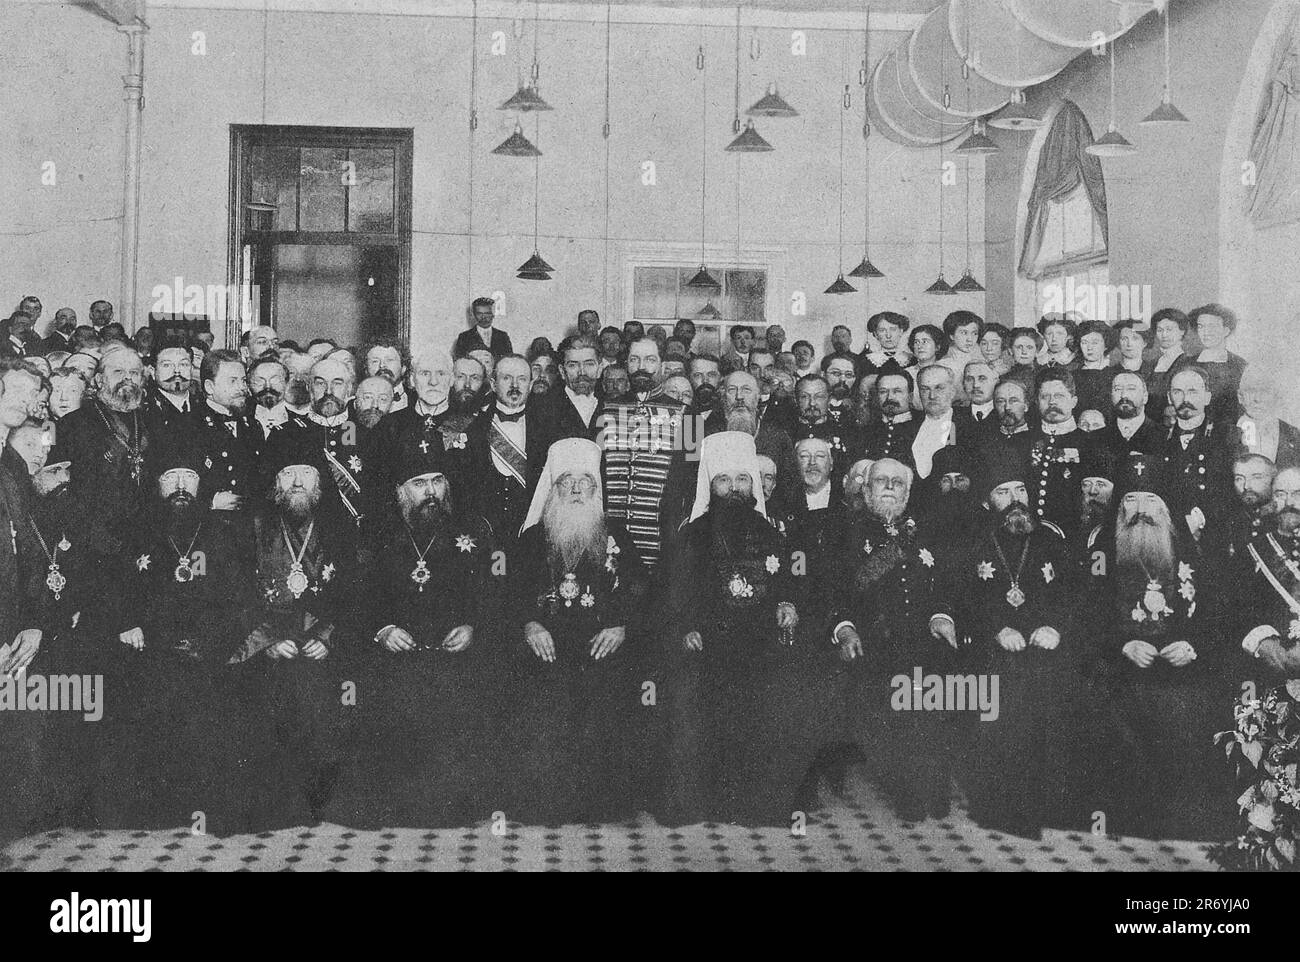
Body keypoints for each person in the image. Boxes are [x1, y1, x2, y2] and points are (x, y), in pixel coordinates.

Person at [328, 435, 500, 829]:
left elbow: (495, 593)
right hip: (393, 652)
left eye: (437, 481)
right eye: (419, 484)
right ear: (400, 491)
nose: (431, 493)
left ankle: (452, 806)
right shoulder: (374, 532)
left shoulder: (474, 530)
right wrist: (383, 629)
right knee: (377, 691)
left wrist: (473, 627)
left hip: (453, 652)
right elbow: (354, 598)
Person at [662, 431, 818, 824]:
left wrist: (788, 604)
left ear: (753, 484)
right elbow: (671, 594)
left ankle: (757, 803)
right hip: (705, 643)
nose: (734, 489)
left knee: (780, 692)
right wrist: (686, 628)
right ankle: (702, 802)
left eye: (742, 480)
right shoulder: (691, 535)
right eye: (724, 481)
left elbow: (792, 581)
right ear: (710, 486)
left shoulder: (772, 533)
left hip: (759, 641)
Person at [103, 446, 256, 831]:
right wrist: (129, 623)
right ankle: (159, 809)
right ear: (157, 487)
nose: (181, 487)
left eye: (188, 478)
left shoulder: (221, 535)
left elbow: (241, 601)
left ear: (201, 485)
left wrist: (213, 642)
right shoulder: (138, 533)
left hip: (213, 649)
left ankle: (209, 806)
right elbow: (117, 590)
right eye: (171, 479)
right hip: (152, 649)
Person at [1088, 456, 1235, 839]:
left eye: (1150, 501)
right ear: (1120, 508)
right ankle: (1124, 818)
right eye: (1131, 500)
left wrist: (1193, 645)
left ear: (1167, 510)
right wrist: (1123, 644)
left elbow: (1220, 616)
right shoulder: (1100, 553)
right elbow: (1084, 614)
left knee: (1193, 703)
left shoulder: (1197, 552)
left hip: (1180, 658)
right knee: (1107, 695)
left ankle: (1183, 821)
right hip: (1122, 658)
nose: (1140, 511)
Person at [506, 437, 648, 822]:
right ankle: (546, 804)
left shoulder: (616, 534)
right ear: (552, 488)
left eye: (585, 481)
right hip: (546, 649)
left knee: (609, 694)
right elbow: (508, 593)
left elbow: (641, 590)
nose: (574, 489)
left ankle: (601, 805)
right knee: (540, 696)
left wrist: (620, 626)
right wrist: (531, 623)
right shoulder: (531, 540)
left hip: (601, 648)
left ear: (596, 488)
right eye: (565, 480)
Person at [229, 427, 356, 832]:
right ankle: (277, 807)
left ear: (320, 480)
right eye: (288, 474)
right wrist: (266, 641)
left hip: (326, 648)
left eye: (305, 473)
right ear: (275, 482)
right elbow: (236, 594)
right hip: (268, 648)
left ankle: (324, 804)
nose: (297, 482)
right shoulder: (250, 529)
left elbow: (359, 593)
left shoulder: (342, 529)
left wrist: (326, 636)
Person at [955, 449, 1086, 838]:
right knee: (1002, 691)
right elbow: (962, 600)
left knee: (1059, 688)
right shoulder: (973, 542)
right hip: (991, 646)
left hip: (1046, 644)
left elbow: (1076, 593)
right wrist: (996, 628)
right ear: (987, 501)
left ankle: (1053, 805)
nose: (1014, 500)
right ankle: (1002, 805)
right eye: (1002, 491)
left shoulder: (1051, 538)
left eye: (1020, 490)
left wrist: (1057, 628)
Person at [830, 457, 960, 820]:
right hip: (874, 640)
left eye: (897, 483)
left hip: (923, 637)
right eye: (880, 481)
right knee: (900, 698)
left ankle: (932, 788)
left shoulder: (924, 533)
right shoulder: (847, 534)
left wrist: (941, 617)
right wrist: (845, 628)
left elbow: (946, 586)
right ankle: (910, 791)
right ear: (866, 489)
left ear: (908, 492)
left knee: (937, 688)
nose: (888, 488)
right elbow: (833, 595)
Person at [58, 345, 150, 548]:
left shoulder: (152, 422)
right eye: (118, 372)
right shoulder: (72, 424)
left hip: (142, 533)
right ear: (99, 380)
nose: (127, 378)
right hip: (92, 535)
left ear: (142, 381)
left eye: (134, 373)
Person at [468, 354, 550, 548]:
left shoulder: (547, 428)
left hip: (530, 536)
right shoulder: (472, 426)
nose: (515, 385)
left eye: (521, 379)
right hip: (483, 536)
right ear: (494, 384)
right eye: (506, 378)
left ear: (530, 385)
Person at [1189, 303, 1247, 423]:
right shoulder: (1186, 363)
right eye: (1201, 326)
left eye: (1212, 326)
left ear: (1226, 330)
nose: (1205, 332)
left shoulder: (1240, 365)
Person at [1236, 367, 1300, 471]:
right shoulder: (1222, 434)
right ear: (1240, 396)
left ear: (1276, 395)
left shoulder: (1294, 435)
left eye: (1265, 391)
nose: (1258, 399)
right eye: (1251, 391)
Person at [1140, 308, 1193, 424]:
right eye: (1160, 330)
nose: (1164, 335)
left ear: (1182, 331)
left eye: (1169, 330)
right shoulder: (1151, 364)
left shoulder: (1189, 363)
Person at [1100, 370, 1161, 456]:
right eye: (1118, 389)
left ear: (1145, 397)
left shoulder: (1163, 435)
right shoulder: (1097, 438)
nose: (1124, 395)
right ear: (1111, 396)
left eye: (1131, 389)